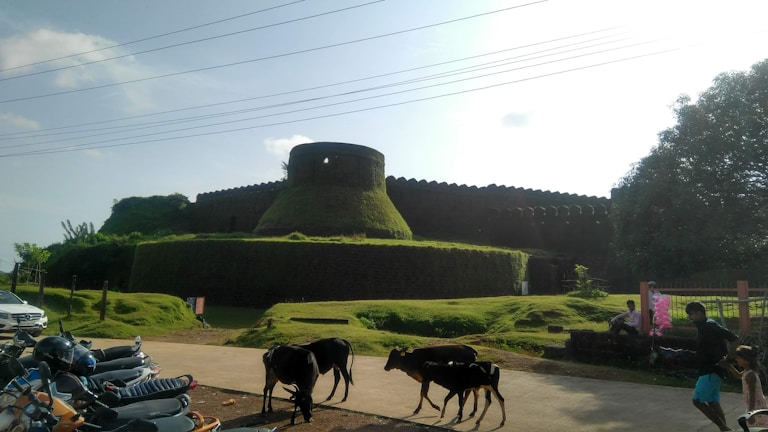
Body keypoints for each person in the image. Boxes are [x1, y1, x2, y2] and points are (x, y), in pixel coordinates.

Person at [686, 301, 739, 432]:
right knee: (713, 402)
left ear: (698, 313)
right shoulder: (704, 326)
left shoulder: (709, 326)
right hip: (711, 370)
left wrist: (730, 359)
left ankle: (724, 428)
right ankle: (724, 430)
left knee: (697, 401)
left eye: (690, 315)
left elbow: (735, 339)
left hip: (711, 371)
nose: (689, 318)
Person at [719, 345, 768, 427]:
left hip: (756, 405)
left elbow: (753, 395)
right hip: (754, 404)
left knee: (756, 425)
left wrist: (751, 413)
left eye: (738, 358)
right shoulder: (748, 371)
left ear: (745, 360)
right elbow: (738, 376)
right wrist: (728, 366)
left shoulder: (750, 375)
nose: (736, 360)